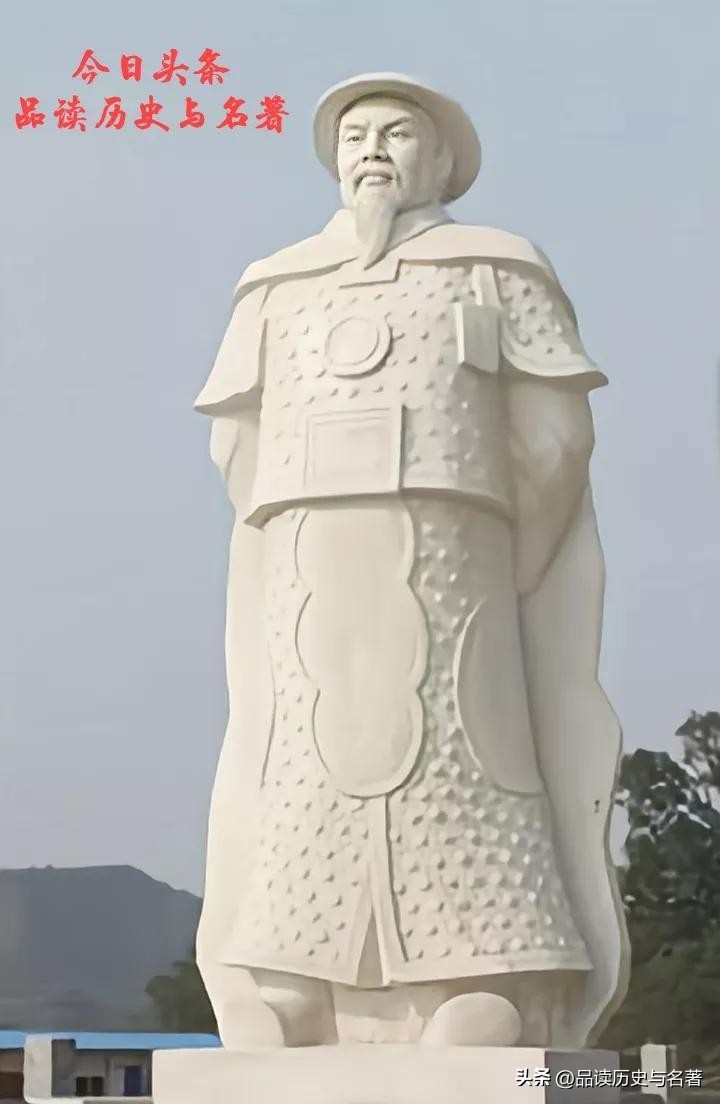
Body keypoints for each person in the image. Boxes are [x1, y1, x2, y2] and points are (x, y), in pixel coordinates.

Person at [193, 73, 628, 1049]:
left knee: (463, 740)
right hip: (308, 553)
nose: (373, 151)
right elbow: (237, 445)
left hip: (455, 552)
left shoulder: (497, 269)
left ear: (443, 159)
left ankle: (486, 978)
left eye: (396, 133)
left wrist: (502, 554)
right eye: (355, 136)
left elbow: (556, 442)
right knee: (306, 743)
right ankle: (299, 974)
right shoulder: (278, 284)